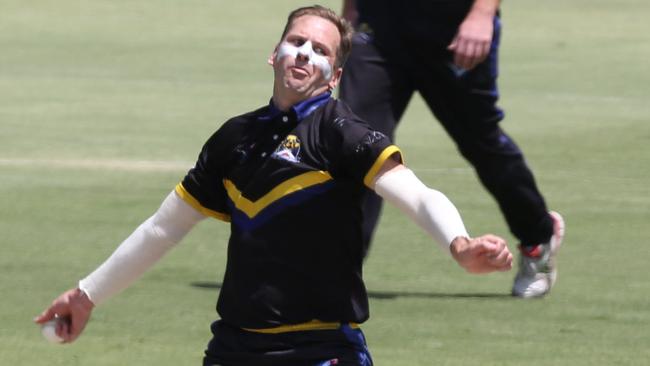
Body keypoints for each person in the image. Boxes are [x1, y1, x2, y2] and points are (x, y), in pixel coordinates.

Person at [34, 5, 513, 365]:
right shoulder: (234, 139)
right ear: (275, 53)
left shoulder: (342, 133)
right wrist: (86, 294)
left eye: (321, 49)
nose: (305, 53)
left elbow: (417, 194)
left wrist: (459, 244)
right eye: (297, 41)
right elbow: (163, 229)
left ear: (336, 75)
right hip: (235, 347)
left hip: (321, 348)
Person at [338, 0, 565, 298]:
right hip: (380, 23)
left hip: (455, 25)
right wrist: (351, 9)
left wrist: (482, 13)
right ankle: (340, 270)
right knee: (357, 144)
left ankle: (538, 238)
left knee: (480, 141)